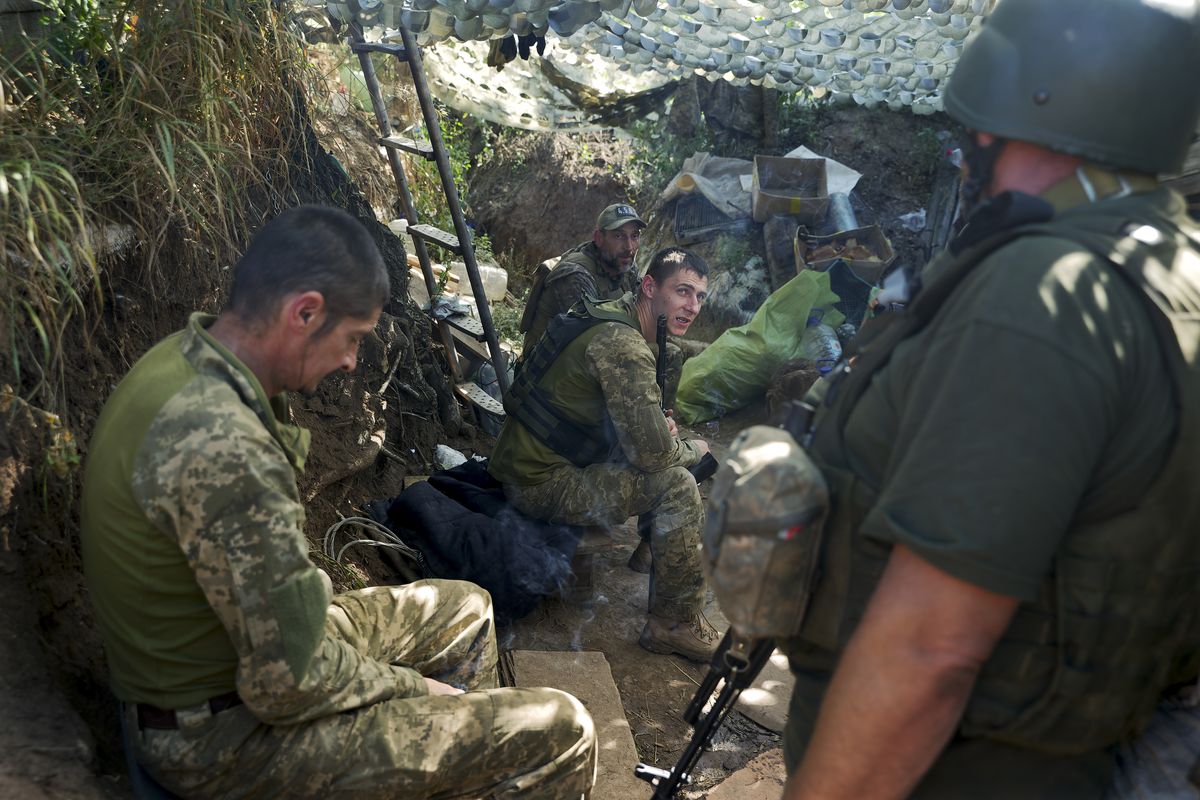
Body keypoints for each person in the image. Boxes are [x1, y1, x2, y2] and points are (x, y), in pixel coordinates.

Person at [776, 1, 1200, 798]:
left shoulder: (1048, 293)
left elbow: (931, 649)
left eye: (974, 131)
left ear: (1032, 108)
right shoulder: (1173, 275)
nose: (966, 152)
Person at [80, 205, 596, 799]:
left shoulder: (184, 359)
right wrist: (412, 689)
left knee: (468, 608)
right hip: (217, 738)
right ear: (305, 312)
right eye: (352, 338)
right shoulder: (224, 446)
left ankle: (442, 771)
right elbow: (288, 684)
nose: (352, 360)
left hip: (231, 661)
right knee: (566, 729)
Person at [491, 246, 720, 662]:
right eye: (683, 291)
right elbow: (654, 457)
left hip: (529, 459)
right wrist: (694, 450)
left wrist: (659, 435)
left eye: (700, 297)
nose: (692, 306)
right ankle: (673, 624)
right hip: (540, 481)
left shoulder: (611, 312)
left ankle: (651, 555)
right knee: (679, 483)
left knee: (666, 446)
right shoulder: (625, 345)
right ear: (650, 287)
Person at [519, 202, 646, 356]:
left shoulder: (624, 266)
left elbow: (645, 313)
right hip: (546, 370)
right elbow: (596, 341)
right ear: (599, 238)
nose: (629, 247)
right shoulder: (575, 276)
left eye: (635, 236)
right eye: (618, 236)